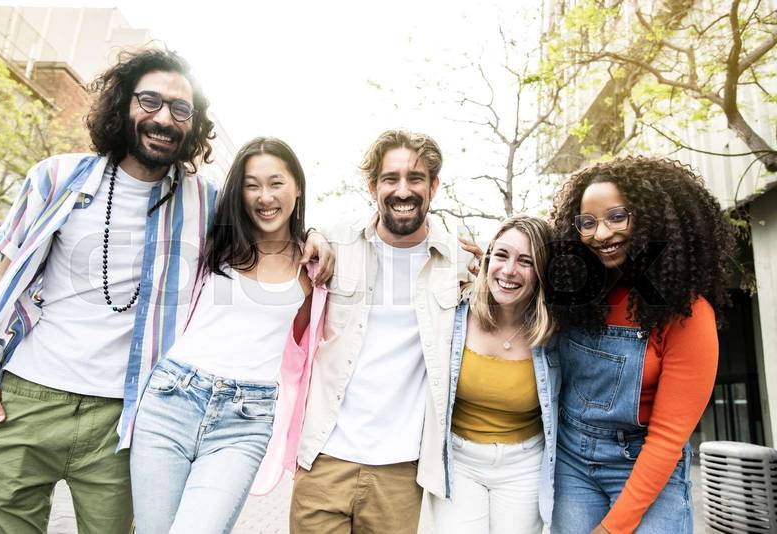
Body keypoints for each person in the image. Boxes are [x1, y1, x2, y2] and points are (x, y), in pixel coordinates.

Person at [0, 48, 331, 533]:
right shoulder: (56, 177)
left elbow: (267, 221)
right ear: (123, 104)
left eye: (180, 109)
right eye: (150, 101)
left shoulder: (203, 201)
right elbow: (4, 278)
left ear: (193, 123)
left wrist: (317, 237)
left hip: (124, 417)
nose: (164, 118)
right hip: (25, 398)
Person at [130, 137, 327, 533]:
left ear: (298, 187)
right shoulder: (213, 236)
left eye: (276, 183)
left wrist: (319, 234)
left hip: (246, 417)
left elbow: (302, 350)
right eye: (252, 185)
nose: (264, 196)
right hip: (172, 396)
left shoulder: (313, 267)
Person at [289, 129, 471, 533]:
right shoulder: (335, 243)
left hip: (401, 473)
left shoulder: (457, 261)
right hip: (325, 459)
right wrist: (312, 233)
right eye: (390, 179)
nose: (402, 190)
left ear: (434, 186)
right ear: (372, 186)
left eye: (416, 178)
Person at [548, 156, 734, 534]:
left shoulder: (687, 313)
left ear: (650, 219)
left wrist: (611, 529)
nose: (601, 234)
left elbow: (667, 439)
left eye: (617, 217)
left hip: (646, 468)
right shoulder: (575, 297)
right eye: (587, 222)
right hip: (571, 463)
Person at [431, 215, 560, 534]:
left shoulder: (554, 332)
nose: (509, 270)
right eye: (501, 255)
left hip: (524, 465)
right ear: (487, 258)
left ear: (541, 272)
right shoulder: (455, 309)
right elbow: (416, 246)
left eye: (525, 261)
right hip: (459, 461)